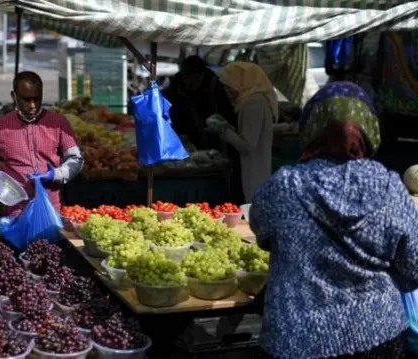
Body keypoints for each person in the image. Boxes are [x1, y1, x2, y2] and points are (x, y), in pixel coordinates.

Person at [250, 82, 418, 359]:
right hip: (377, 334)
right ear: (369, 129)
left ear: (311, 128)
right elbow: (413, 267)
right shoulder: (390, 187)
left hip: (296, 340)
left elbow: (262, 233)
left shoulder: (282, 187)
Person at [0, 71, 84, 216]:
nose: (32, 105)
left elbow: (76, 159)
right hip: (15, 211)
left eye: (37, 99)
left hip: (50, 210)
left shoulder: (58, 124)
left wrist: (56, 174)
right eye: (26, 100)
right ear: (14, 97)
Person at [206, 62, 278, 203]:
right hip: (255, 173)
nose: (228, 91)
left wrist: (224, 130)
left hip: (252, 175)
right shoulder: (254, 100)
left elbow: (247, 145)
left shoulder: (253, 103)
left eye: (229, 86)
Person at [162, 55, 236, 151]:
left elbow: (227, 112)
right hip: (186, 142)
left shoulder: (213, 86)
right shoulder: (174, 89)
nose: (191, 83)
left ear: (203, 75)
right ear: (183, 77)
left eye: (196, 79)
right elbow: (169, 115)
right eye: (188, 79)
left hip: (214, 142)